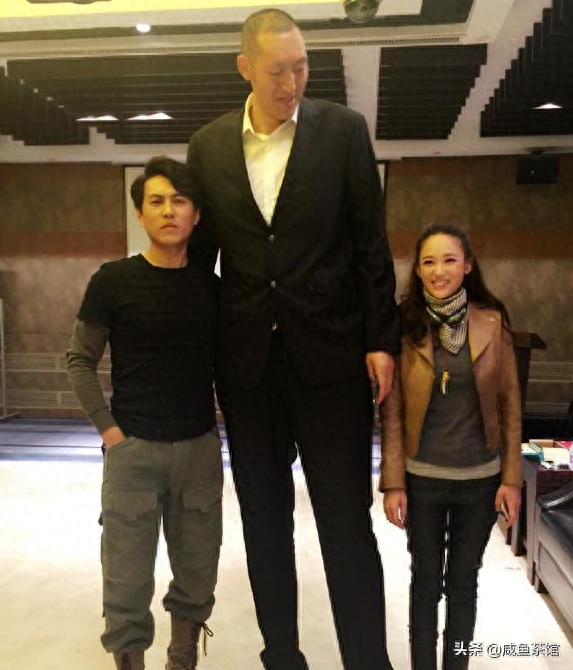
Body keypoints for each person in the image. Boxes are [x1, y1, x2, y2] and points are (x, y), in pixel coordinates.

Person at [186, 8, 400, 670]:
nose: (291, 83)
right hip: (247, 368)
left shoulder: (343, 132)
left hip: (331, 359)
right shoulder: (209, 146)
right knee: (263, 521)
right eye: (277, 71)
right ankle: (281, 655)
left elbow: (370, 244)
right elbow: (201, 261)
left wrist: (380, 340)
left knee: (345, 521)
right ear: (245, 68)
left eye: (301, 67)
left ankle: (368, 659)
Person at [66, 156, 222, 670]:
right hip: (133, 452)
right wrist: (110, 432)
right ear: (140, 213)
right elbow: (80, 359)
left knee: (197, 573)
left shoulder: (212, 289)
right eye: (156, 201)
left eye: (179, 200)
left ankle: (182, 659)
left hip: (199, 452)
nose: (168, 211)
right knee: (126, 581)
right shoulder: (113, 281)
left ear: (196, 214)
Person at [380, 222, 522, 670]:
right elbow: (392, 412)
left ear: (467, 266)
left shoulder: (492, 322)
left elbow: (510, 405)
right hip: (422, 479)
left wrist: (512, 479)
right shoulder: (405, 324)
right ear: (418, 270)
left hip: (480, 480)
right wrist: (393, 482)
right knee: (425, 583)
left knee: (464, 584)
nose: (438, 270)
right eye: (428, 261)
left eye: (449, 260)